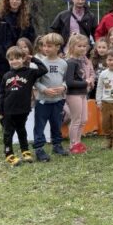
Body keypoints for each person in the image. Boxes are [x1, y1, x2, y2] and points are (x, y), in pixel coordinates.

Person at [0, 0, 36, 117]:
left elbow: (31, 37)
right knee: (3, 88)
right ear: (7, 0)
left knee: (20, 87)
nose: (14, 1)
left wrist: (29, 54)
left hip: (21, 59)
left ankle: (20, 115)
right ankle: (3, 115)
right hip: (2, 60)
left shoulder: (27, 18)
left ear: (22, 2)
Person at [0, 46, 48, 167]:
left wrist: (32, 59)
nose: (14, 61)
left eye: (17, 58)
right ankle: (8, 153)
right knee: (8, 132)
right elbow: (1, 94)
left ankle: (25, 150)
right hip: (8, 109)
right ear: (8, 61)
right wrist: (0, 110)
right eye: (11, 59)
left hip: (23, 109)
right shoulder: (6, 75)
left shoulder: (29, 72)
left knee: (21, 130)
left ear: (23, 58)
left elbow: (43, 69)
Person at [33, 33, 69, 162]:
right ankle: (39, 149)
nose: (45, 48)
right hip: (43, 101)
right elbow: (35, 82)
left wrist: (63, 87)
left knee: (56, 123)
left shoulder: (63, 63)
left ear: (58, 47)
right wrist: (45, 90)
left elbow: (65, 80)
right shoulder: (40, 63)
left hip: (58, 101)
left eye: (49, 46)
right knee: (40, 125)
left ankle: (57, 145)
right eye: (44, 46)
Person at [65, 34, 93, 154]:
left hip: (82, 93)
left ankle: (78, 142)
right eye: (79, 46)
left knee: (84, 120)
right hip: (73, 94)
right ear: (72, 47)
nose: (82, 48)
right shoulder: (71, 62)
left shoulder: (81, 61)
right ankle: (73, 145)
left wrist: (87, 82)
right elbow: (69, 82)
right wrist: (86, 82)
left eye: (84, 46)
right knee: (76, 120)